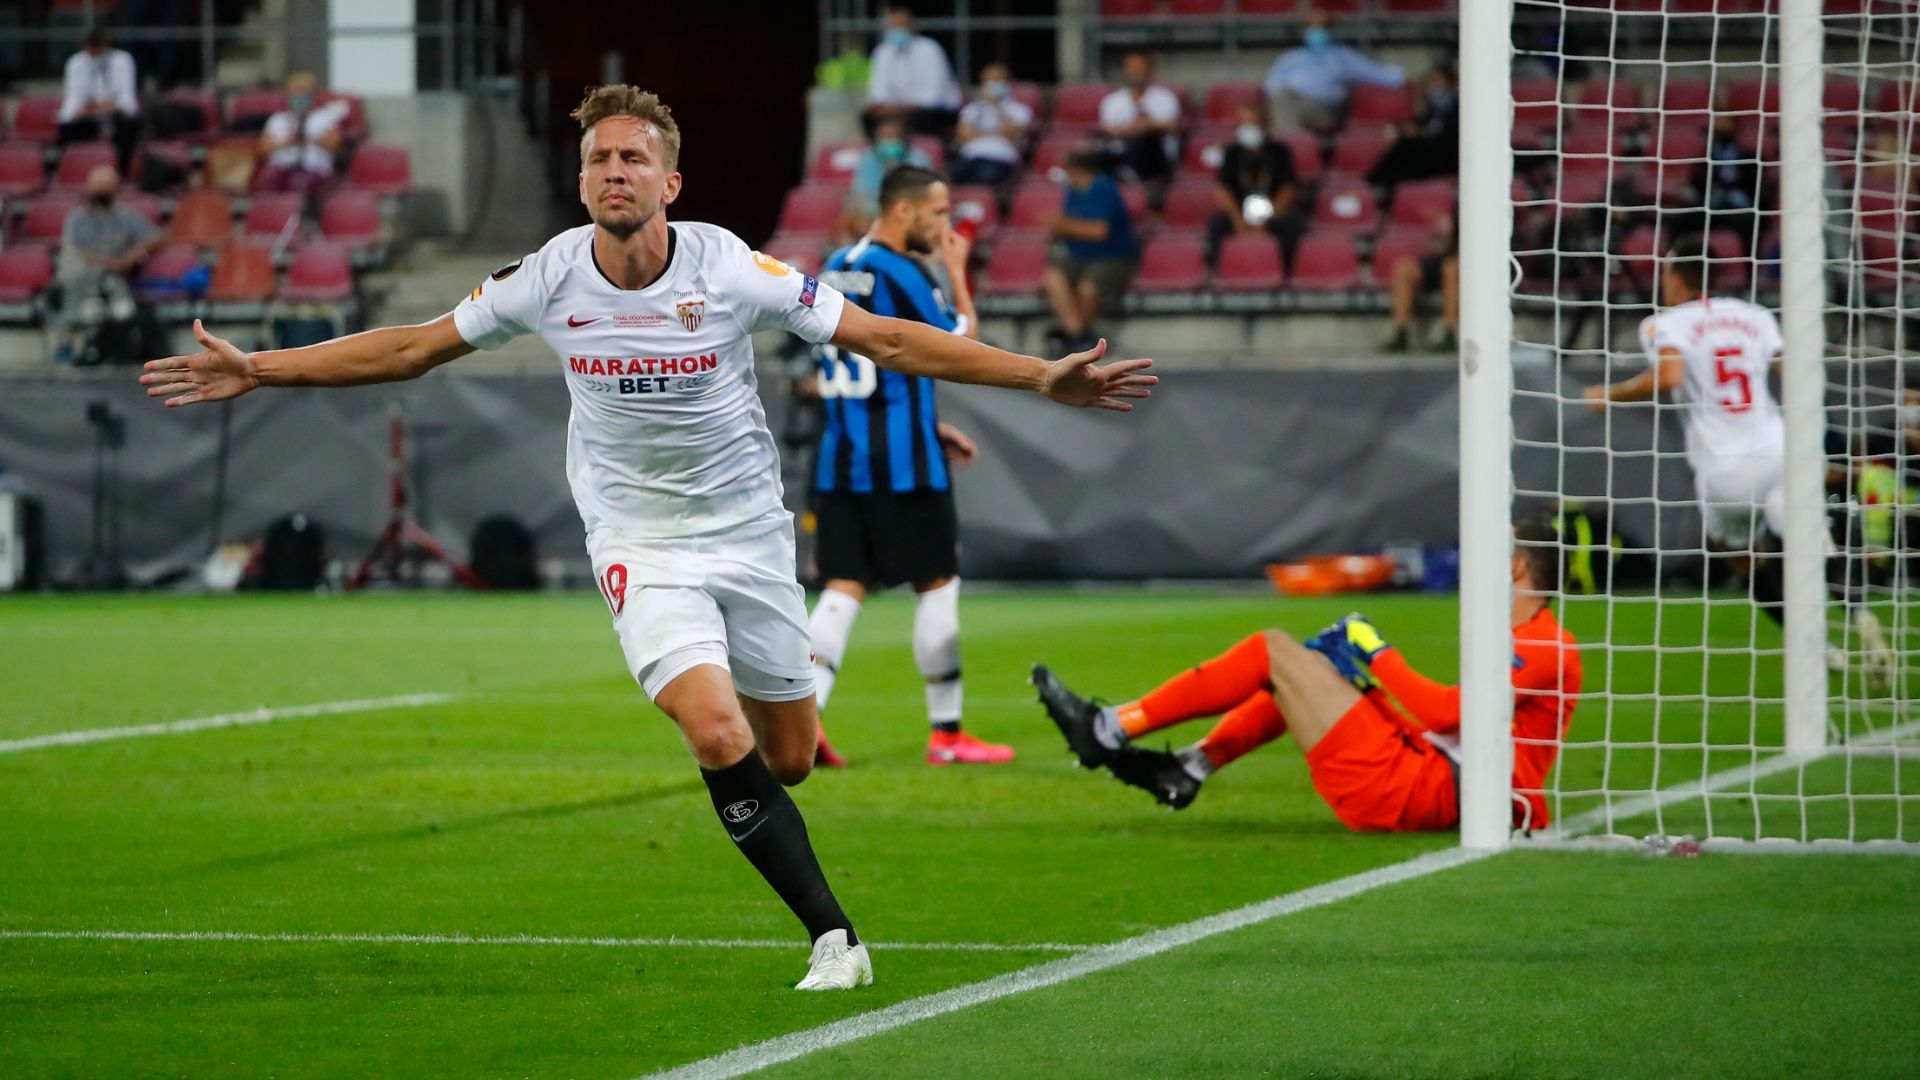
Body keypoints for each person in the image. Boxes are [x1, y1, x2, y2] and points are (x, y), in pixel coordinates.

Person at [139, 85, 1156, 991]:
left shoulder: (733, 269)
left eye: (632, 156)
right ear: (581, 183)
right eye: (597, 158)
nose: (613, 171)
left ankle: (787, 809)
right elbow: (411, 347)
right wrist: (262, 369)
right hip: (637, 538)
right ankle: (834, 938)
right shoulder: (545, 276)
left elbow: (883, 337)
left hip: (750, 535)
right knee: (717, 735)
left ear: (672, 179)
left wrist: (1038, 375)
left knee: (790, 760)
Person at [1032, 520, 1580, 833]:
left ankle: (1110, 731)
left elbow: (1442, 713)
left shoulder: (1546, 643)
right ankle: (1189, 765)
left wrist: (1375, 651)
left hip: (1427, 789)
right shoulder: (1518, 635)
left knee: (1274, 651)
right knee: (1304, 664)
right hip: (1429, 773)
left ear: (1514, 568)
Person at [1582, 234, 1895, 682]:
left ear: (1675, 278)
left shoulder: (1663, 323)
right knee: (1809, 540)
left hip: (1726, 470)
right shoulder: (1756, 316)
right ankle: (1860, 613)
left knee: (1734, 553)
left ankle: (1817, 646)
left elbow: (1670, 375)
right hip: (1780, 450)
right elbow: (1795, 371)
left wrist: (1610, 395)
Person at [807, 165, 1015, 768]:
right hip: (905, 468)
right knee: (937, 584)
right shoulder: (902, 271)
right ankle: (948, 734)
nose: (946, 225)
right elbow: (958, 344)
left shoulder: (836, 265)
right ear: (904, 210)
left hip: (841, 460)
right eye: (940, 213)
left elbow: (859, 369)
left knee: (844, 589)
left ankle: (807, 720)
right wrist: (958, 274)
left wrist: (928, 421)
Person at [52, 165, 164, 364]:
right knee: (88, 309)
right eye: (98, 185)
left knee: (124, 310)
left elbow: (156, 237)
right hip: (83, 282)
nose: (102, 190)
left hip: (116, 281)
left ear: (115, 188)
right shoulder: (77, 219)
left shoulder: (126, 216)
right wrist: (109, 263)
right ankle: (78, 352)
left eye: (106, 185)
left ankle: (118, 357)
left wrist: (131, 255)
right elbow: (74, 252)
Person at [1044, 147, 1139, 354]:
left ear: (1079, 170)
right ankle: (1076, 335)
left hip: (1112, 254)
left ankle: (1076, 337)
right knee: (1054, 277)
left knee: (1088, 289)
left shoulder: (1103, 189)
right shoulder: (1074, 192)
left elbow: (1099, 231)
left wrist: (1061, 225)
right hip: (1079, 253)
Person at [1263, 8, 1405, 134]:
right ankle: (1298, 148)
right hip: (1292, 102)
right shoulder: (1291, 57)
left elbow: (1381, 74)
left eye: (1321, 26)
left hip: (1327, 109)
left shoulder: (1343, 56)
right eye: (1312, 26)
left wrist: (1404, 78)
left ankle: (1295, 151)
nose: (1316, 30)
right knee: (1281, 100)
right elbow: (1271, 84)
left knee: (1283, 105)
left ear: (1330, 29)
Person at [1205, 102, 1306, 271]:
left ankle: (1284, 270)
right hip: (1240, 213)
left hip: (1273, 213)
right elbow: (1222, 190)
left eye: (1253, 124)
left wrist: (1266, 219)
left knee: (1292, 223)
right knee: (1217, 224)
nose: (1248, 129)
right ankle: (1222, 270)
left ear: (1265, 124)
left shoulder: (1280, 152)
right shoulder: (1232, 153)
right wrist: (1238, 220)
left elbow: (1288, 190)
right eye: (1244, 124)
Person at [865, 6, 962, 137]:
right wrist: (888, 107)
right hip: (897, 109)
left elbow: (934, 95)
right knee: (868, 117)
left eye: (901, 25)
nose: (896, 30)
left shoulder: (930, 49)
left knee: (923, 117)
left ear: (912, 25)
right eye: (893, 26)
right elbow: (878, 91)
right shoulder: (882, 52)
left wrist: (907, 107)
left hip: (934, 110)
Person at [1365, 62, 1459, 194]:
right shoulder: (1436, 107)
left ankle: (1373, 185)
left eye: (1436, 81)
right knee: (1406, 147)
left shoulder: (1456, 106)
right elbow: (1426, 124)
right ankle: (1378, 188)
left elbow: (1447, 134)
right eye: (1429, 82)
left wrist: (1420, 134)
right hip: (1432, 154)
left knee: (1408, 146)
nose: (1431, 86)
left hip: (1449, 157)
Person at [57, 26, 141, 172]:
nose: (94, 55)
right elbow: (72, 102)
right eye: (91, 51)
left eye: (98, 50)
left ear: (106, 46)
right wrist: (81, 111)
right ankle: (75, 170)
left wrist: (108, 107)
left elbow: (129, 103)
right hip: (89, 119)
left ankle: (121, 171)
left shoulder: (123, 60)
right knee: (67, 127)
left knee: (128, 124)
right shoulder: (75, 63)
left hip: (116, 117)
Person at [255, 73, 351, 198]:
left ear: (312, 95)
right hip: (282, 166)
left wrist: (308, 136)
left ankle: (299, 215)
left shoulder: (324, 118)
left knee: (299, 182)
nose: (300, 96)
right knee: (269, 178)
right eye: (296, 92)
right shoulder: (277, 119)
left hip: (313, 168)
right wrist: (288, 141)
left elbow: (334, 146)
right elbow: (264, 148)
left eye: (304, 92)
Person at [1098, 52, 1181, 185]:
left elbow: (1172, 125)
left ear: (1150, 70)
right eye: (1132, 68)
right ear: (1125, 70)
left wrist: (1147, 126)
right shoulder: (1113, 100)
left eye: (1140, 68)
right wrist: (1136, 127)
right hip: (1121, 155)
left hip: (1157, 159)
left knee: (1146, 139)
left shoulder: (1165, 97)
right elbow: (1110, 130)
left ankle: (1130, 172)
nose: (1136, 72)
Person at [845, 115, 935, 235]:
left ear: (903, 139)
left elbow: (926, 195)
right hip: (874, 218)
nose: (888, 142)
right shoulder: (868, 160)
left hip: (911, 217)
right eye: (884, 138)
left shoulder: (918, 159)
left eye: (893, 137)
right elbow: (860, 195)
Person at [1385, 211, 1458, 353]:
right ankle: (1400, 334)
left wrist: (1453, 231)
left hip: (1457, 267)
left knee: (1451, 269)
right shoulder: (1440, 228)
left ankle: (1450, 335)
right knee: (1403, 268)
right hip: (1434, 264)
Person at [952, 62, 1031, 188]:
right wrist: (996, 132)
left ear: (1008, 82)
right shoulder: (972, 109)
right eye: (989, 80)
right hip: (970, 157)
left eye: (998, 79)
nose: (992, 84)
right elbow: (965, 135)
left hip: (1000, 158)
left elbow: (1011, 134)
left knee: (984, 179)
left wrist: (996, 106)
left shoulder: (1019, 110)